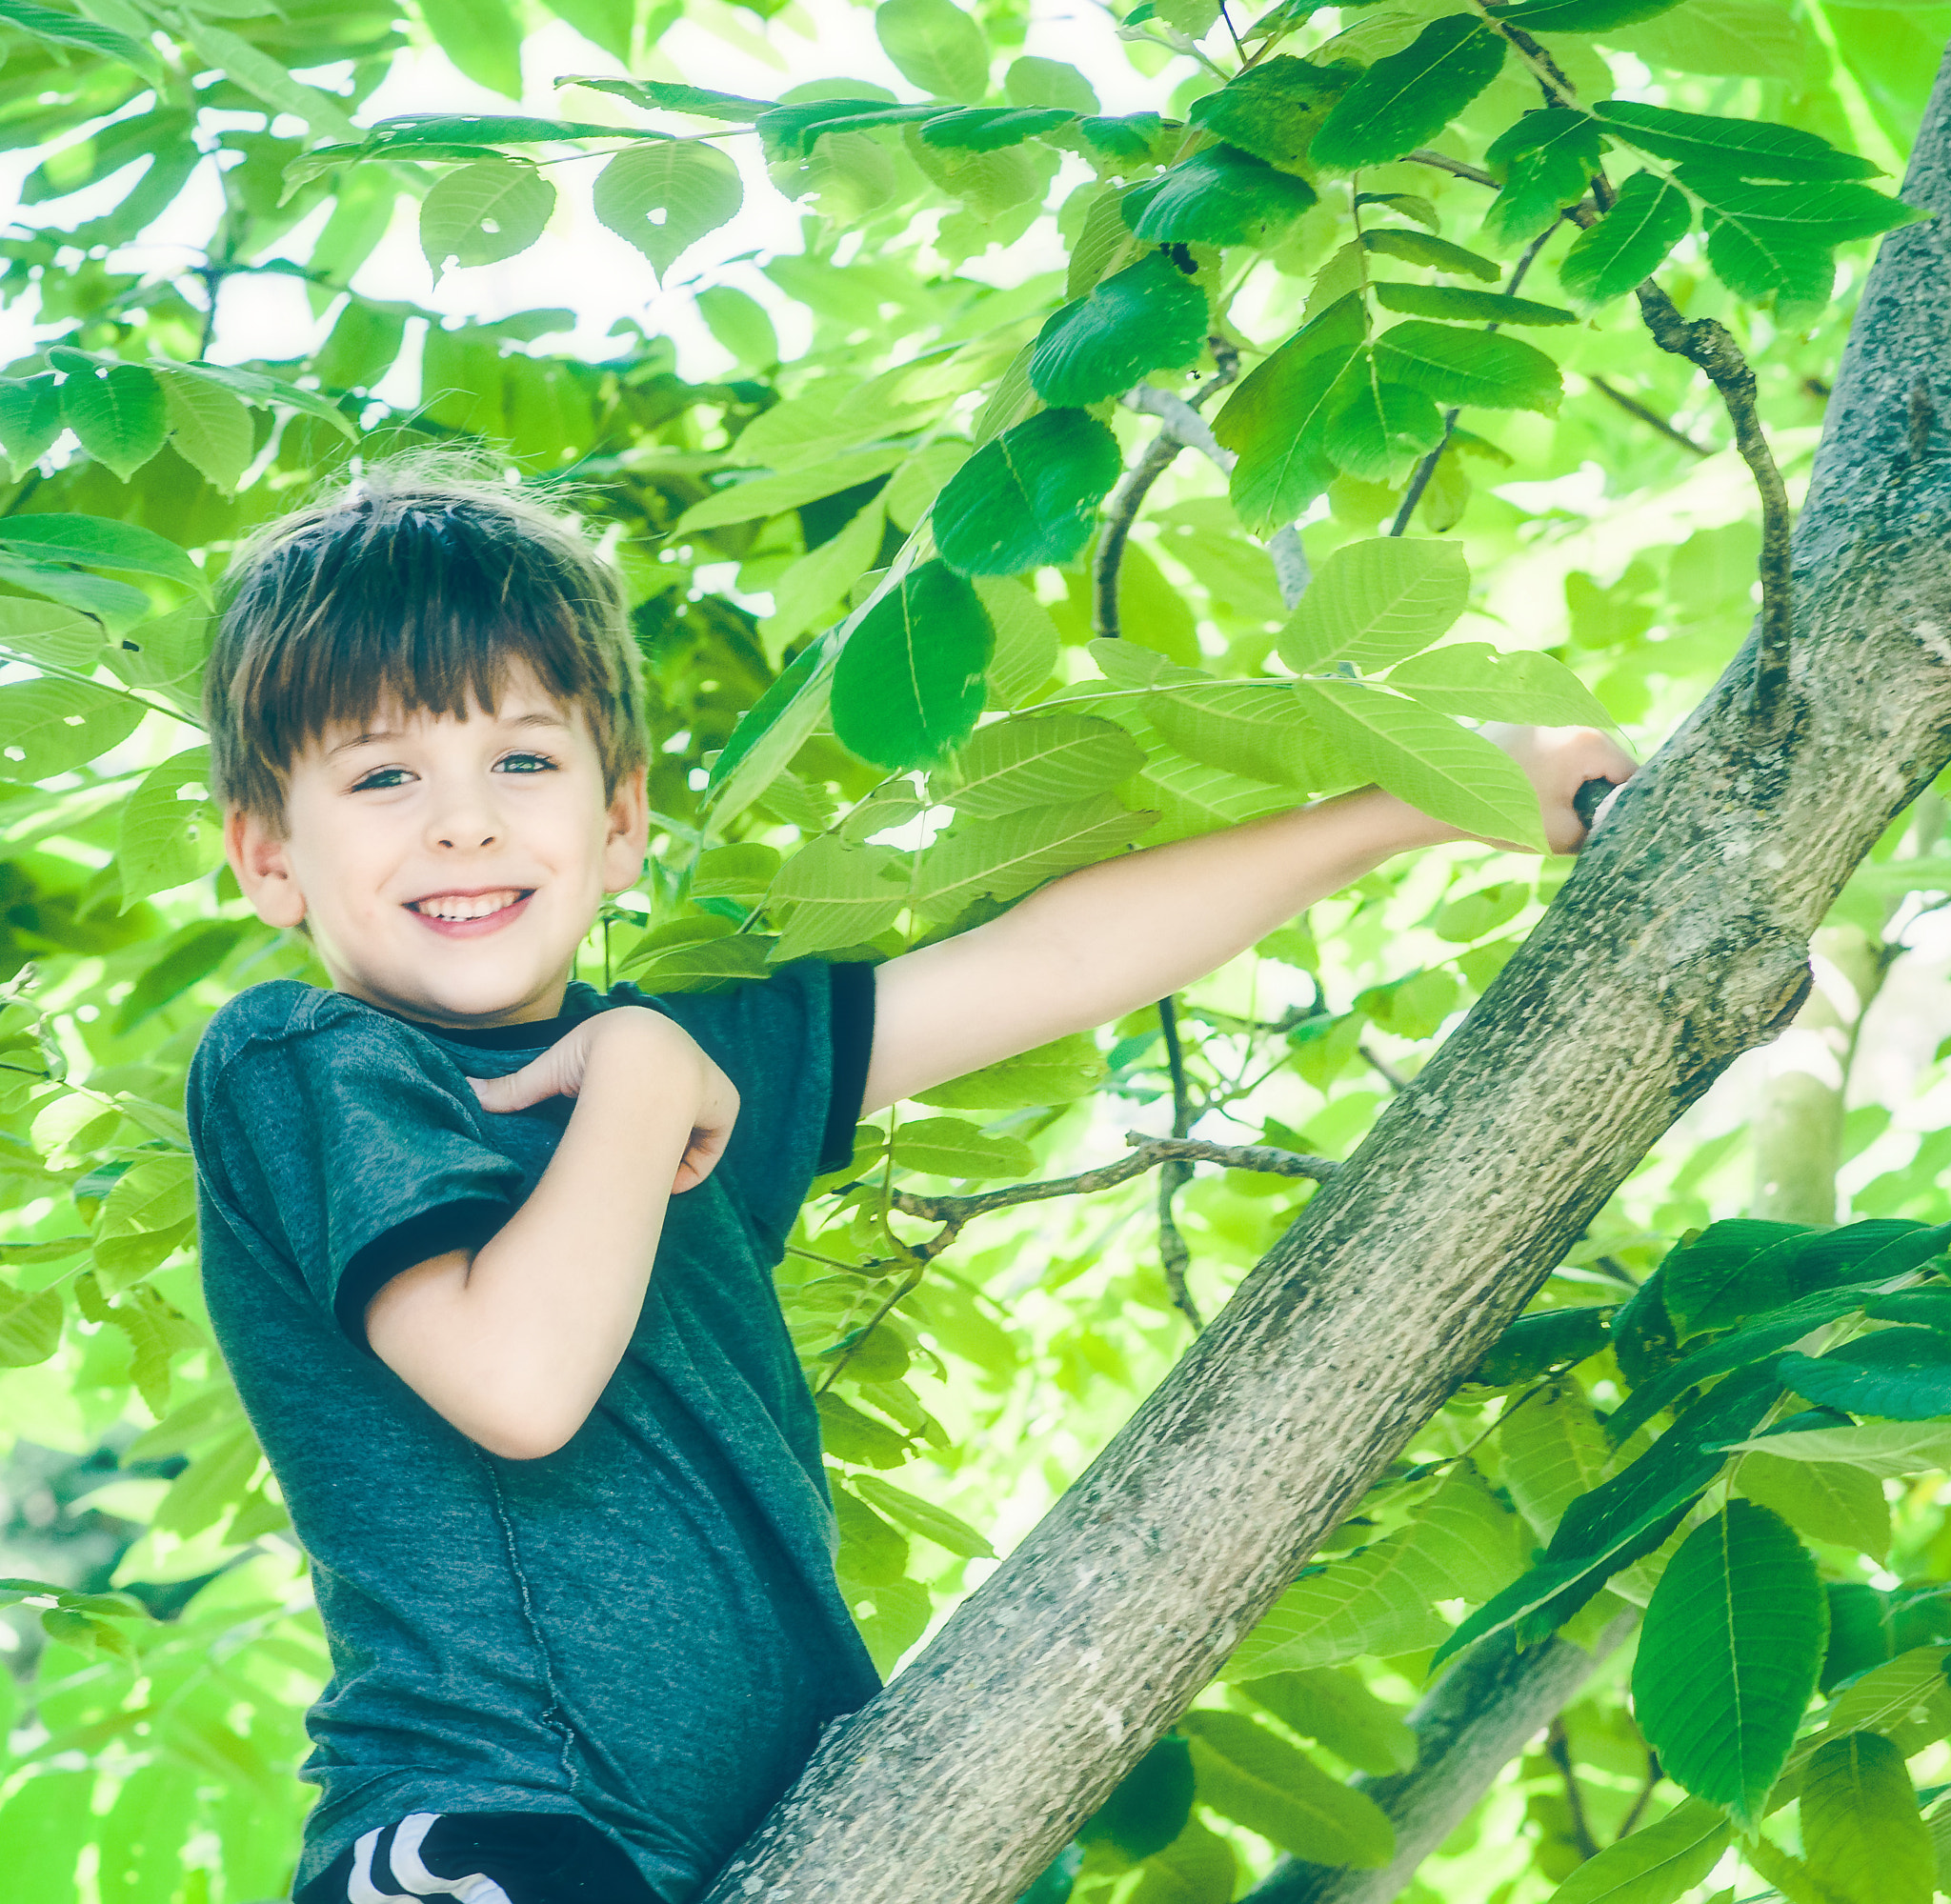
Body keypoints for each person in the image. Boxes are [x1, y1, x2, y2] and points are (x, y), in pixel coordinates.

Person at [186, 464, 1635, 1904]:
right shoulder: (303, 1057)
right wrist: (636, 1072)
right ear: (269, 860)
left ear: (619, 820)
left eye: (523, 760)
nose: (465, 823)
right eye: (382, 776)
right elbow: (516, 1383)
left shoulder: (699, 1064)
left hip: (768, 1835)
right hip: (490, 1843)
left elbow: (1047, 965)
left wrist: (1420, 803)